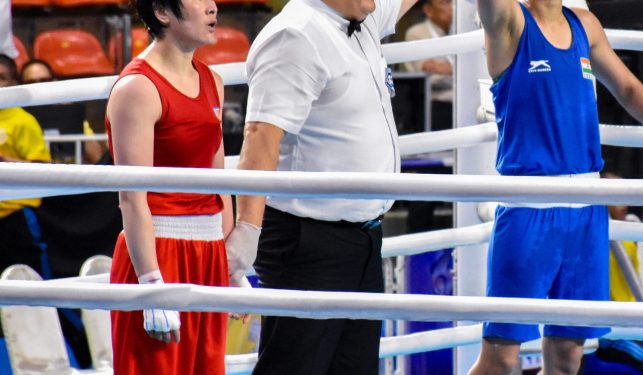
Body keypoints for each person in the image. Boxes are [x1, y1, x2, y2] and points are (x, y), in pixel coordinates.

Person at [468, 0, 643, 374]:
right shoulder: (509, 21)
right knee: (500, 358)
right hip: (530, 209)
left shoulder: (585, 25)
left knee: (568, 355)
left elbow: (626, 86)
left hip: (586, 211)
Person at [225, 0, 418, 372]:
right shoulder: (296, 34)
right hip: (308, 241)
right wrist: (247, 231)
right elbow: (261, 136)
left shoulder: (362, 16)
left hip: (361, 238)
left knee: (354, 368)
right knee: (296, 366)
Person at [104, 0, 243, 373]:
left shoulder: (213, 80)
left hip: (209, 252)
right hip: (158, 252)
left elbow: (217, 179)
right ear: (163, 12)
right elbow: (132, 199)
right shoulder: (138, 88)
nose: (213, 7)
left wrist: (232, 266)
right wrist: (151, 284)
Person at [0, 54, 53, 277]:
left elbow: (44, 168)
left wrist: (4, 162)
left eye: (1, 77)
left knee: (29, 280)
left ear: (13, 82)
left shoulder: (23, 120)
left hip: (16, 217)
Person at [21, 59, 107, 164]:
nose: (38, 86)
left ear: (53, 82)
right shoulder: (17, 116)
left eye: (44, 81)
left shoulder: (70, 113)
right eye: (31, 82)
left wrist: (71, 118)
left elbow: (96, 156)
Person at [404, 0, 453, 131]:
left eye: (453, 2)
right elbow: (430, 73)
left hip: (462, 102)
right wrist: (460, 71)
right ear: (428, 10)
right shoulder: (417, 33)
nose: (452, 8)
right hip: (435, 105)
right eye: (445, 3)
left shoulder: (461, 32)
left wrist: (444, 68)